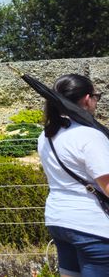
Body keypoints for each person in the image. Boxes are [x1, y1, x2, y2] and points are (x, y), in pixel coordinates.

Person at [38, 74, 109, 277]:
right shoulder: (90, 136)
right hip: (92, 226)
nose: (96, 102)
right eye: (96, 96)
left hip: (59, 220)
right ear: (87, 99)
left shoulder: (46, 135)